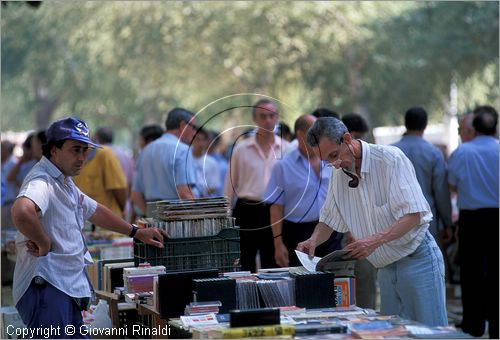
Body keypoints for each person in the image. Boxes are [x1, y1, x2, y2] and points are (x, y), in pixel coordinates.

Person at [11, 117, 167, 339]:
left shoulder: (63, 181)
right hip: (47, 286)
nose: (82, 157)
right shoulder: (42, 180)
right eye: (76, 150)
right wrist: (44, 242)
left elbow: (95, 210)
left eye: (85, 150)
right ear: (54, 150)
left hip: (63, 285)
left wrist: (136, 231)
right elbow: (21, 211)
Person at [297, 117, 447, 327]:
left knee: (431, 332)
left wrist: (373, 241)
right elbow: (329, 220)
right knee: (393, 332)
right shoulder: (338, 173)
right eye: (328, 161)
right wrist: (313, 240)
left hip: (417, 259)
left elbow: (414, 215)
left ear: (347, 139)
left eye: (334, 155)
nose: (335, 164)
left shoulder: (390, 159)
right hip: (385, 267)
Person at [264, 114, 342, 267]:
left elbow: (343, 196)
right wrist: (278, 244)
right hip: (298, 234)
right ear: (300, 134)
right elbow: (276, 208)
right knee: (305, 282)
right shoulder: (283, 166)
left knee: (336, 279)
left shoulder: (331, 159)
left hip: (332, 229)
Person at [448, 105, 499, 338]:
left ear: (474, 128)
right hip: (497, 217)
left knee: (471, 271)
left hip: (471, 218)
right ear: (495, 127)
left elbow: (453, 185)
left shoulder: (462, 152)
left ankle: (473, 323)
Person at [224, 99, 288, 272]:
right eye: (263, 116)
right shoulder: (241, 149)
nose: (268, 120)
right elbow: (230, 183)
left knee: (273, 262)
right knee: (245, 260)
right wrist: (226, 215)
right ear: (255, 119)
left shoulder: (286, 149)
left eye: (271, 116)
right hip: (247, 209)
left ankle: (273, 298)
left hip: (276, 210)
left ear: (277, 118)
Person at [392, 107, 453, 240]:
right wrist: (447, 223)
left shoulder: (390, 151)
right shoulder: (433, 153)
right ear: (425, 125)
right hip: (426, 222)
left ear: (406, 123)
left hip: (394, 224)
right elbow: (441, 192)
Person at [340, 112, 378, 310]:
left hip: (364, 237)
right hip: (350, 236)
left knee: (364, 287)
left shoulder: (369, 161)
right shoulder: (341, 163)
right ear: (350, 135)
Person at [132, 108, 197, 216]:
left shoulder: (145, 151)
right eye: (193, 127)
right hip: (177, 217)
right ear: (182, 125)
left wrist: (150, 217)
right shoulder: (182, 150)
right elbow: (185, 194)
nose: (195, 132)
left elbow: (136, 195)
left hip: (152, 217)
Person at [191, 128, 221, 198]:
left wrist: (200, 193)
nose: (200, 143)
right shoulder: (184, 160)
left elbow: (214, 185)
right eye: (197, 139)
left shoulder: (212, 162)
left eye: (203, 140)